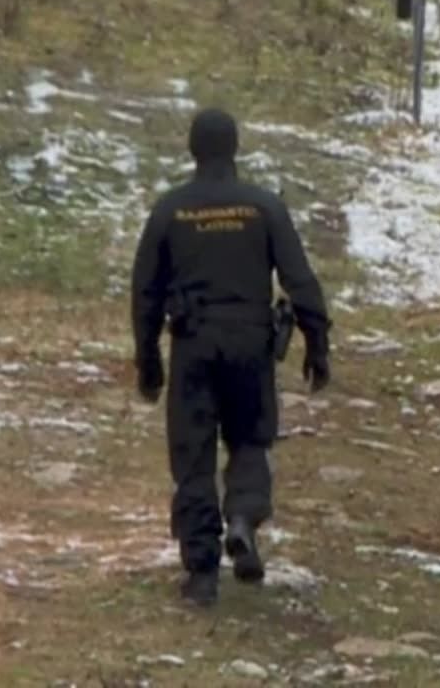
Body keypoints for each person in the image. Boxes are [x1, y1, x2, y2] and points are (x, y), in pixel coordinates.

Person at [129, 107, 332, 608]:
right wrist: (317, 344)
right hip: (251, 342)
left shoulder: (171, 210)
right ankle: (242, 515)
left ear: (193, 150)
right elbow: (300, 279)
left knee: (194, 455)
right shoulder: (263, 207)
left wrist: (148, 358)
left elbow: (145, 291)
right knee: (249, 439)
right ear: (235, 148)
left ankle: (202, 572)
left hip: (194, 342)